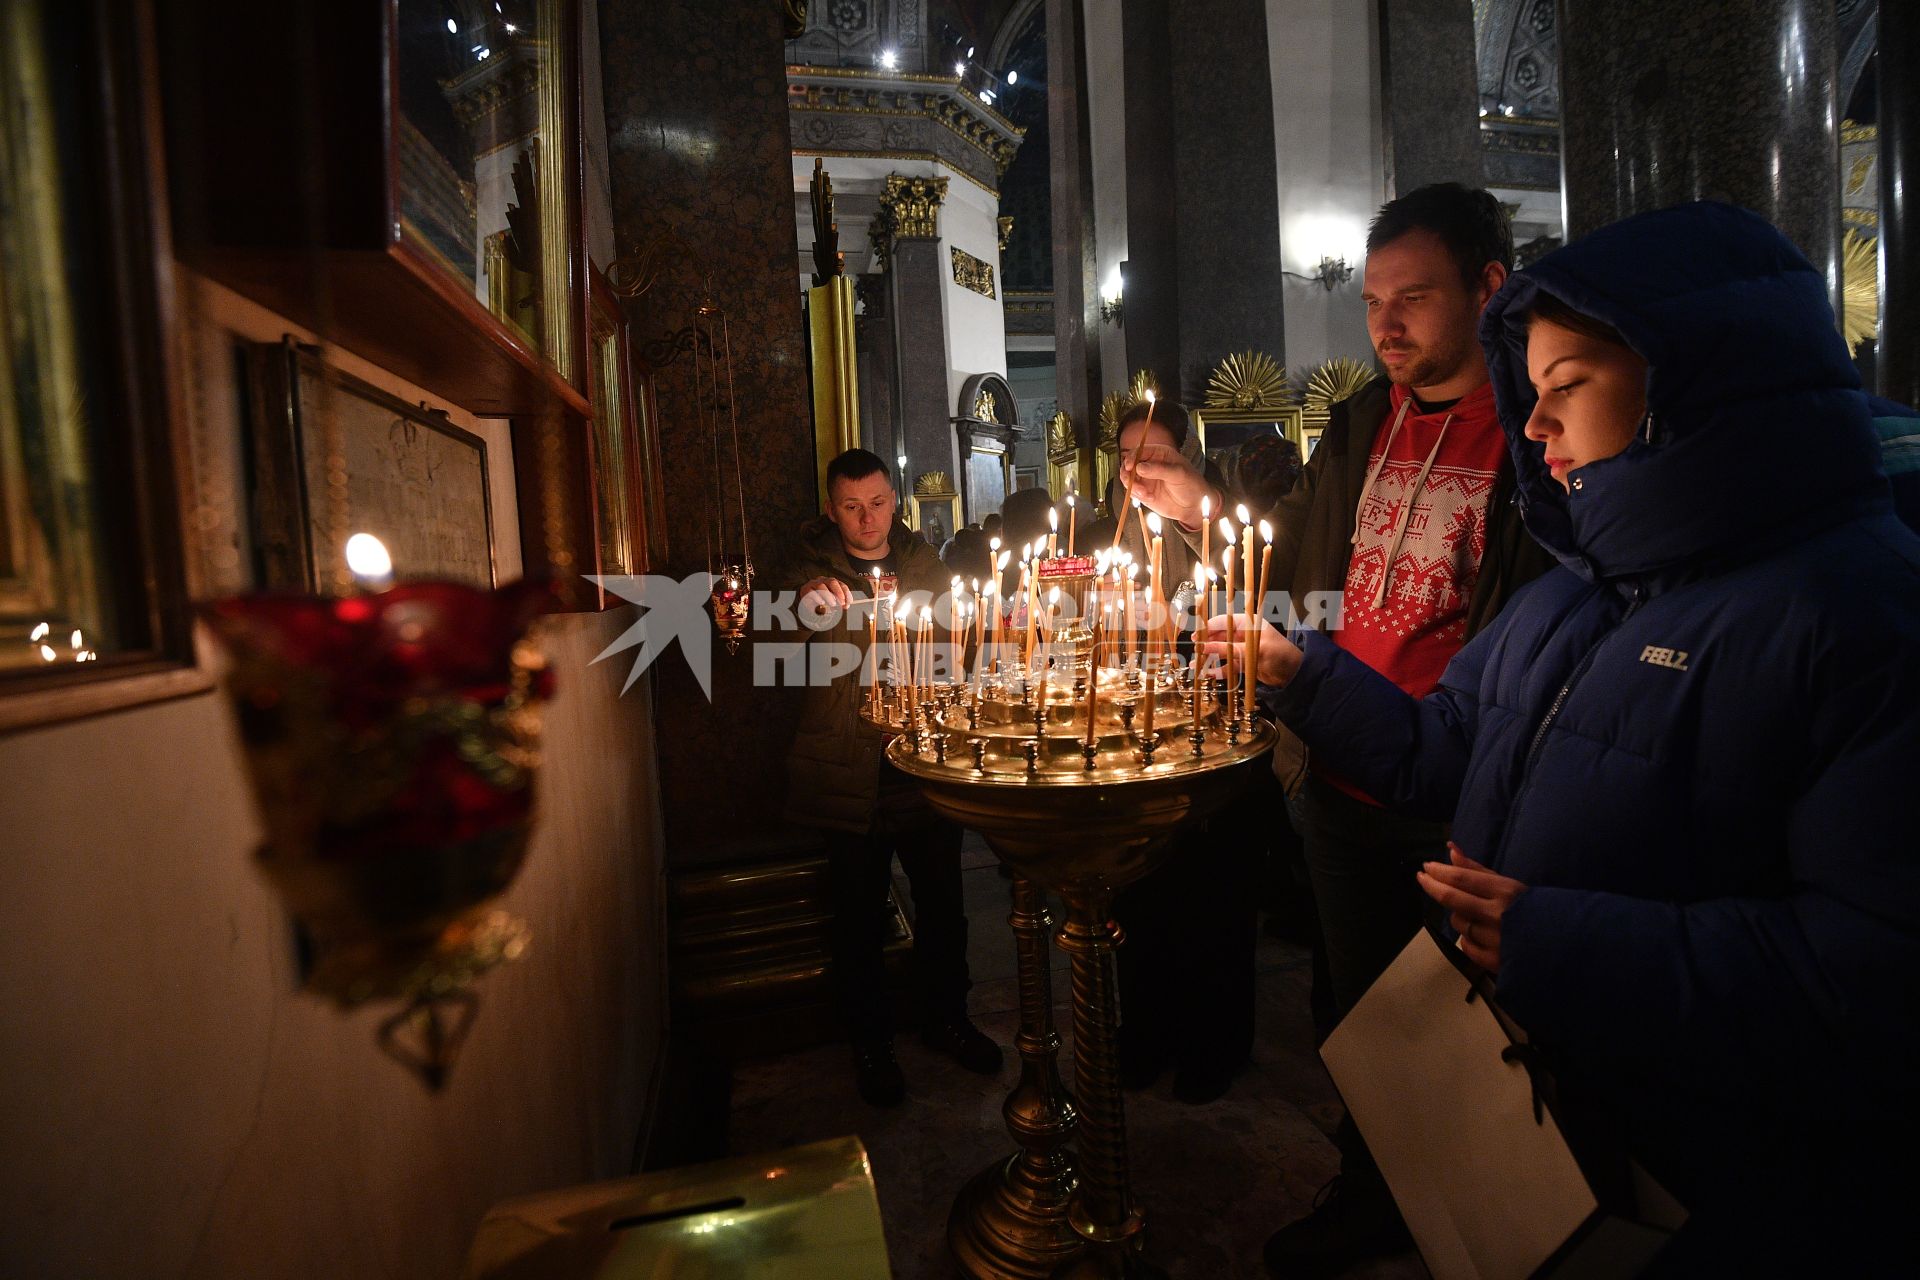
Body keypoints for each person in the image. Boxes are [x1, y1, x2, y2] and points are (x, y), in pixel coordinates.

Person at [1217, 201, 1920, 1271]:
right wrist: (1301, 673)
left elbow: (1871, 978)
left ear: (1690, 382)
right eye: (1531, 394)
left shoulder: (1860, 619)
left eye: (1566, 390)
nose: (1535, 430)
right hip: (1555, 1123)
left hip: (1715, 1181)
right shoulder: (1578, 594)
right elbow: (1442, 746)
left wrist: (1558, 943)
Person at [1126, 183, 1556, 1272]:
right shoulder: (1367, 417)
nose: (1388, 324)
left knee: (1479, 1033)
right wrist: (1192, 501)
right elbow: (1295, 543)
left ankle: (1487, 1224)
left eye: (1414, 296)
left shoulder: (1536, 431)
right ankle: (1375, 1193)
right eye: (1373, 301)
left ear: (1488, 287)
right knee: (1364, 1016)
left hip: (1462, 792)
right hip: (1339, 772)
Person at [783, 449, 1003, 1106]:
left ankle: (948, 1019)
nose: (866, 518)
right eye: (851, 506)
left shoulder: (923, 562)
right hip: (847, 763)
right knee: (856, 915)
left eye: (877, 503)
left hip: (920, 757)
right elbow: (789, 628)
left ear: (895, 502)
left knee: (943, 902)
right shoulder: (808, 566)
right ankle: (871, 1043)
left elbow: (951, 651)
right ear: (832, 509)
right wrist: (807, 606)